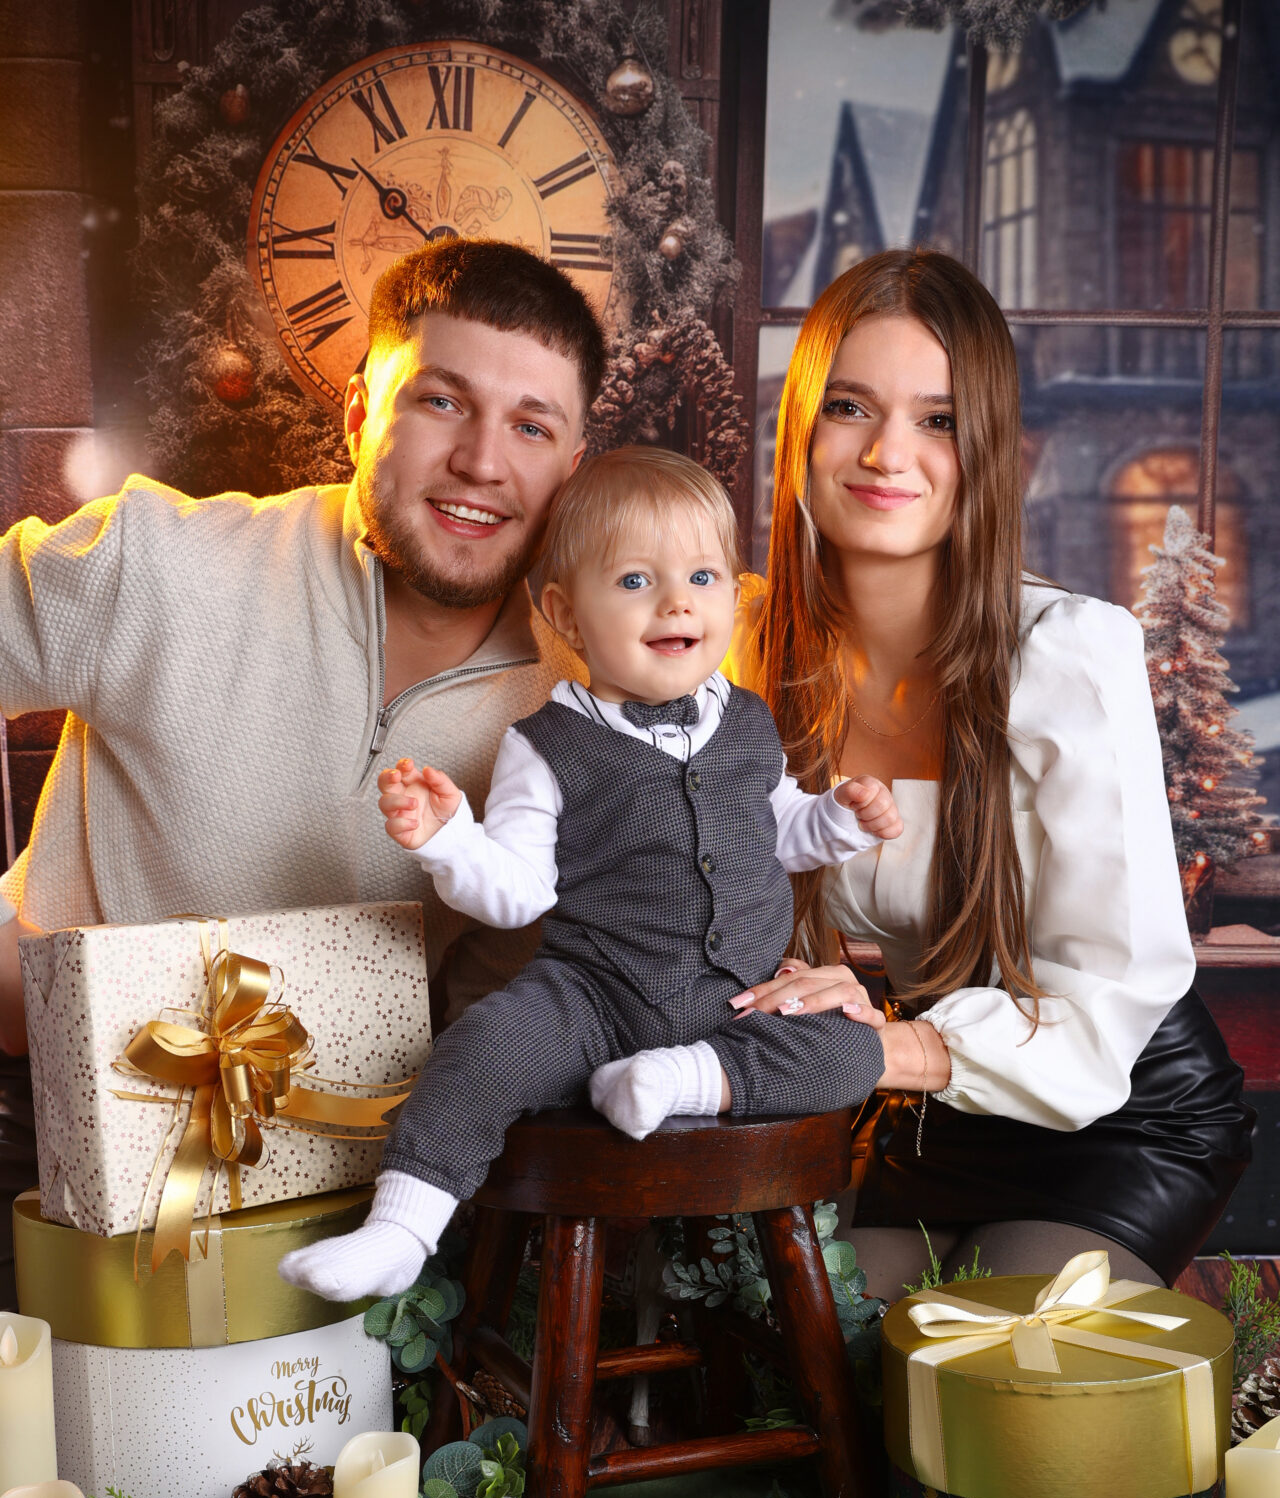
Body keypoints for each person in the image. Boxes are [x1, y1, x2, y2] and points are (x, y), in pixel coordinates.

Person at [0, 239, 604, 1302]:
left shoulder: (579, 707)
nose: (481, 461)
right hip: (45, 1151)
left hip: (351, 1199)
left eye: (529, 425)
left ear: (570, 464)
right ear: (359, 411)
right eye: (442, 402)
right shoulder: (158, 565)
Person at [730, 248, 1252, 1297]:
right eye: (848, 406)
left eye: (936, 419)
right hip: (936, 1112)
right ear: (797, 431)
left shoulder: (1064, 653)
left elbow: (1108, 1001)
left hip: (1121, 1106)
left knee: (990, 1373)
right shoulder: (741, 651)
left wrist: (879, 1050)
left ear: (990, 454)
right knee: (820, 1357)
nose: (887, 452)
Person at [278, 448, 900, 1302]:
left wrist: (836, 819)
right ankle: (398, 1229)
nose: (679, 600)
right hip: (593, 998)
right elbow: (519, 890)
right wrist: (450, 836)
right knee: (481, 1049)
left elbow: (775, 826)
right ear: (567, 615)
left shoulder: (748, 720)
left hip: (742, 1004)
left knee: (851, 1051)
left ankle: (681, 1080)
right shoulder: (549, 743)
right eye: (637, 581)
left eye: (703, 575)